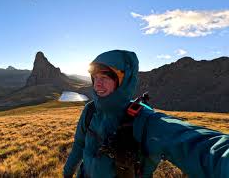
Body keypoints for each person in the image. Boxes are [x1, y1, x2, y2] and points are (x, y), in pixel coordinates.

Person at [63, 50, 229, 178]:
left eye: (106, 77)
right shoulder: (90, 110)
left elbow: (198, 144)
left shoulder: (145, 121)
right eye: (95, 77)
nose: (98, 83)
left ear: (123, 81)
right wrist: (68, 173)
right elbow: (79, 145)